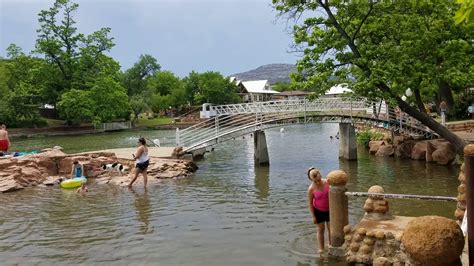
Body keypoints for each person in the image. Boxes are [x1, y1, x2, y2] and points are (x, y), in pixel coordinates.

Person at [307, 167, 331, 254]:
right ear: (311, 179)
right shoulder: (311, 189)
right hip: (318, 211)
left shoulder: (328, 182)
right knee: (321, 230)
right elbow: (310, 203)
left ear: (320, 175)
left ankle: (330, 245)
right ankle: (321, 248)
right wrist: (313, 216)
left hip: (330, 210)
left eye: (318, 179)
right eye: (315, 181)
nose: (317, 182)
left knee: (330, 229)